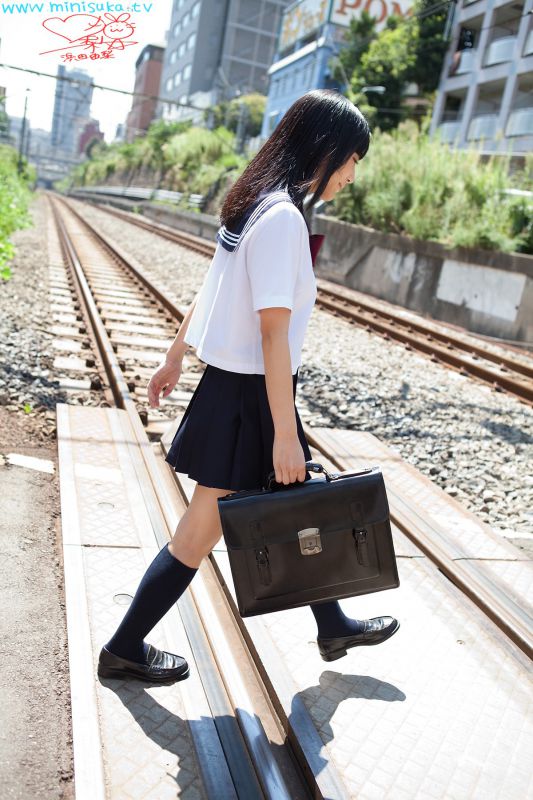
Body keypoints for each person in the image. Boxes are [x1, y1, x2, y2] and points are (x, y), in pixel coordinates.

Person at [98, 89, 399, 684]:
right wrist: (284, 434)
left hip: (238, 393)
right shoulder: (283, 218)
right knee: (201, 534)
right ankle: (125, 646)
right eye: (353, 159)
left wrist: (175, 354)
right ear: (328, 149)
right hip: (250, 398)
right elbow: (271, 334)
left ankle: (332, 624)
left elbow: (212, 289)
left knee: (296, 505)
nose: (352, 174)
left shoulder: (255, 206)